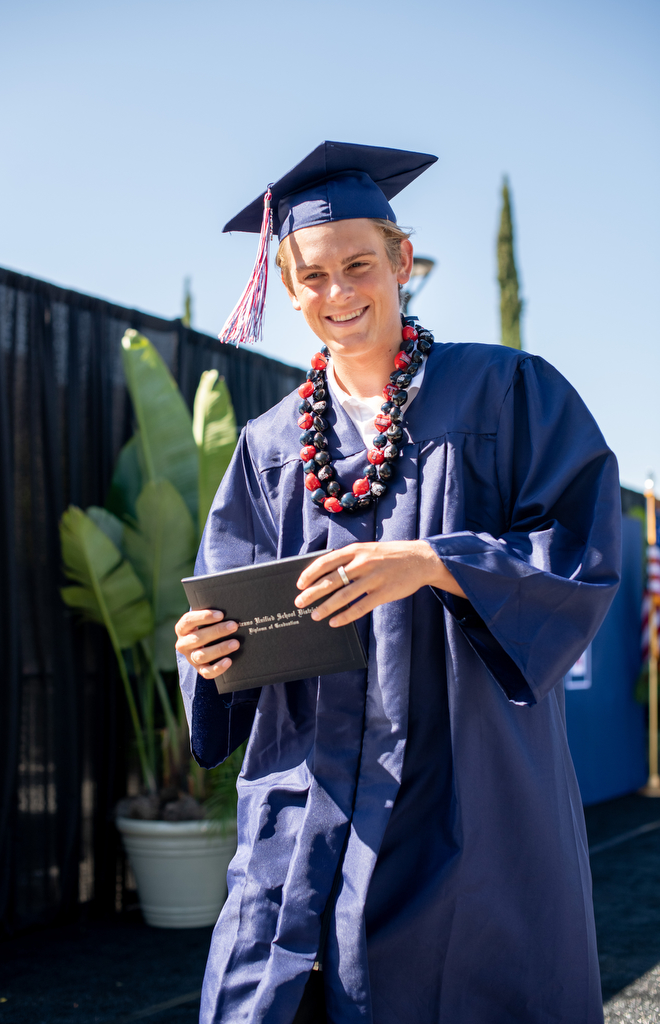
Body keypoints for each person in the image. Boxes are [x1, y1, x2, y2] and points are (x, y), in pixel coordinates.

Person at [175, 141, 620, 1024]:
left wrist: (432, 562)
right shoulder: (269, 446)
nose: (338, 294)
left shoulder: (504, 393)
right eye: (311, 278)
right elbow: (228, 604)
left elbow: (579, 548)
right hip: (310, 780)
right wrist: (205, 650)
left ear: (401, 262)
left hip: (465, 775)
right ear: (288, 289)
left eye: (358, 266)